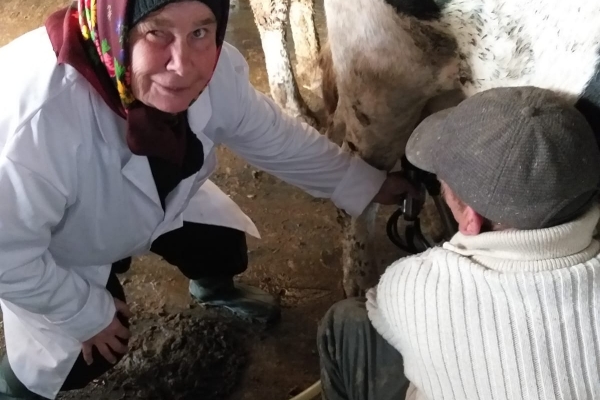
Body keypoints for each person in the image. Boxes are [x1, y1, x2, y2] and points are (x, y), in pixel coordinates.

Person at [0, 0, 415, 398]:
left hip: (148, 201)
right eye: (157, 33)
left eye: (200, 31)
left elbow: (274, 137)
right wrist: (82, 313)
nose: (183, 66)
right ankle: (13, 389)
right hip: (54, 245)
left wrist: (364, 183)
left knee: (221, 245)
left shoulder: (215, 71)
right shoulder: (33, 125)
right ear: (116, 25)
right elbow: (7, 254)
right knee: (84, 353)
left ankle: (213, 289)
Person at [317, 86, 600, 400]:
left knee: (344, 322)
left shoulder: (414, 284)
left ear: (470, 219)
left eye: (444, 186)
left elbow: (379, 311)